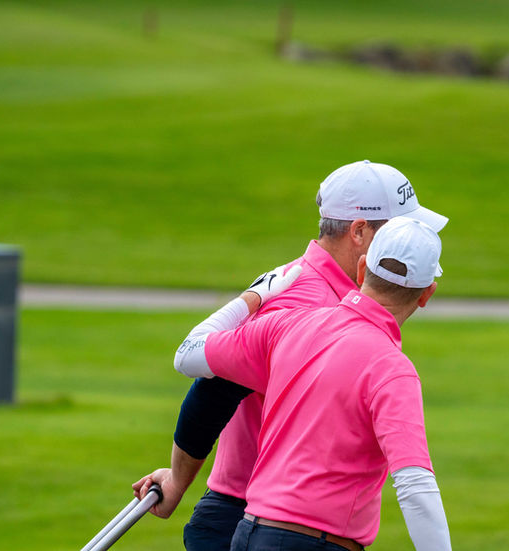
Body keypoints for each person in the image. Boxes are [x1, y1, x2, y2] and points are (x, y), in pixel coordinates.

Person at [133, 160, 448, 550]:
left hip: (263, 518)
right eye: (397, 227)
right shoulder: (307, 299)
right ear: (360, 233)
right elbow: (214, 390)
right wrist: (179, 481)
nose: (405, 237)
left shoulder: (312, 285)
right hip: (258, 516)